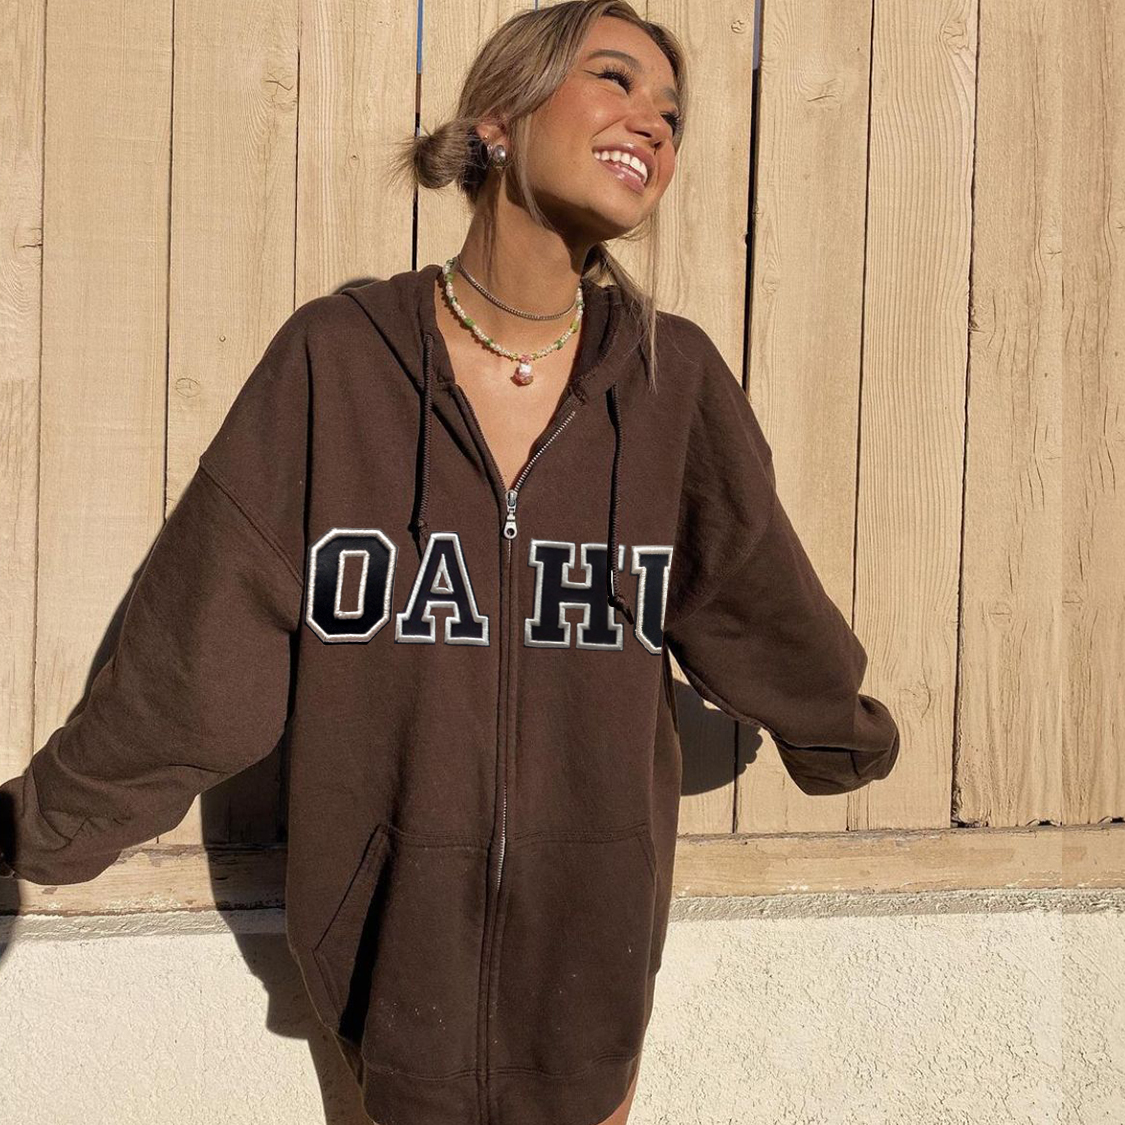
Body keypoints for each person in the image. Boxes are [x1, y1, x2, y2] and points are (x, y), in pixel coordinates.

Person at [0, 3, 901, 1123]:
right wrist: (35, 827)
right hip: (387, 963)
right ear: (500, 121)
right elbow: (196, 658)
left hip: (592, 970)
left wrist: (840, 736)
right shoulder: (339, 363)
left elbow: (758, 604)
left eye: (671, 114)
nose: (653, 123)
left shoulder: (670, 384)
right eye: (614, 80)